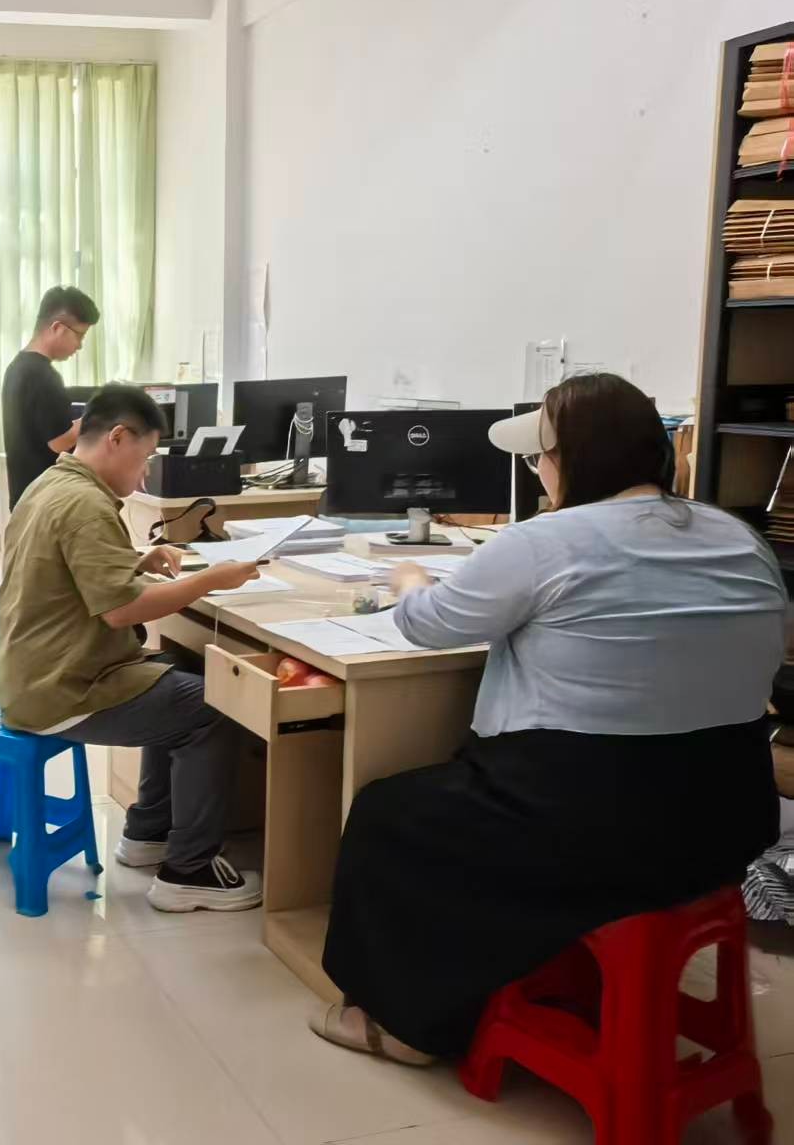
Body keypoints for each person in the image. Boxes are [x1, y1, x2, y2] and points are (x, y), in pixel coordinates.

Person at [313, 373, 788, 1066]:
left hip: (586, 820)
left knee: (390, 814)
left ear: (574, 459)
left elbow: (429, 625)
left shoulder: (545, 541)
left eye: (543, 455)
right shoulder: (739, 537)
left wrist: (410, 581)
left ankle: (401, 1025)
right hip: (727, 818)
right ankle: (551, 963)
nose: (538, 469)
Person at [0, 384, 265, 912]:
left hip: (35, 672)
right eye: (144, 458)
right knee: (213, 708)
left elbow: (70, 573)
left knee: (173, 671)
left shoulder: (51, 483)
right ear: (117, 438)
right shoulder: (86, 504)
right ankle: (189, 872)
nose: (144, 476)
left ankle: (148, 832)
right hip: (64, 687)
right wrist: (211, 578)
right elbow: (122, 611)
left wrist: (136, 560)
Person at [1, 284, 100, 508]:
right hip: (45, 501)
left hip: (25, 497)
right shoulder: (43, 376)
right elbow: (59, 442)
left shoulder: (17, 367)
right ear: (58, 328)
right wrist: (99, 415)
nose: (80, 346)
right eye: (80, 335)